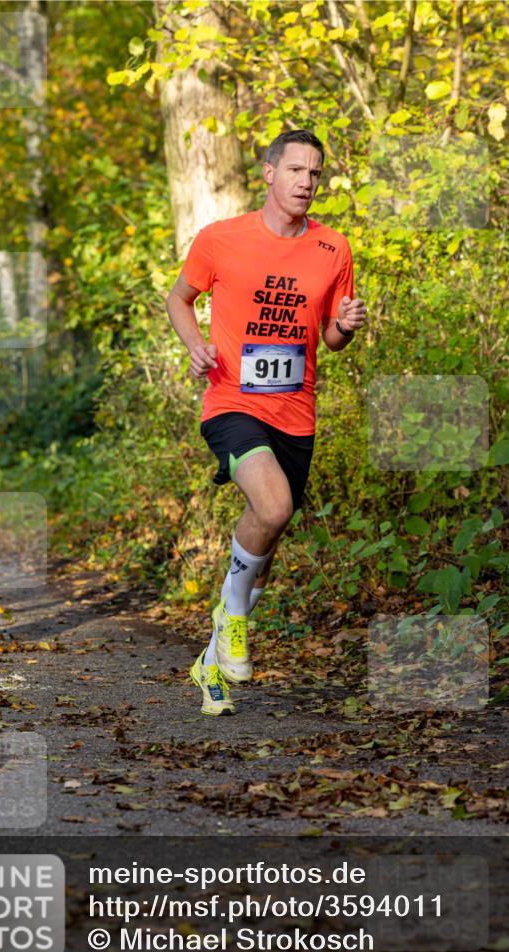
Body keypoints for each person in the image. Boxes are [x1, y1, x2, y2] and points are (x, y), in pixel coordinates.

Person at [166, 129, 367, 717]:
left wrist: (347, 323)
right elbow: (179, 299)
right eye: (297, 171)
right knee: (274, 507)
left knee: (267, 535)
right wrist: (196, 344)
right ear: (269, 173)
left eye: (315, 174)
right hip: (231, 403)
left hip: (296, 415)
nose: (306, 182)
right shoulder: (220, 240)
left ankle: (211, 660)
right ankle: (231, 622)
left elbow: (331, 339)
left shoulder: (334, 249)